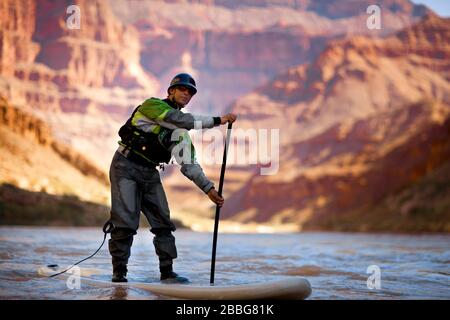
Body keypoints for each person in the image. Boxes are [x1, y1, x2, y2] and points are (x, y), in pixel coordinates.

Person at [108, 73, 237, 283]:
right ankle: (119, 274)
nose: (186, 94)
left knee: (163, 223)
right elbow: (178, 119)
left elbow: (189, 165)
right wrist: (218, 120)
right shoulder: (152, 106)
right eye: (182, 89)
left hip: (149, 172)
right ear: (171, 91)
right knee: (125, 223)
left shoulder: (180, 135)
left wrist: (209, 190)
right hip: (125, 166)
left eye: (190, 92)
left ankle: (167, 274)